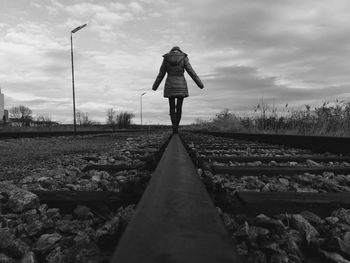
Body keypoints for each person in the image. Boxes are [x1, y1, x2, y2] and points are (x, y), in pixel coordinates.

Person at [152, 46, 204, 133]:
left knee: (172, 107)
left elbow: (161, 74)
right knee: (179, 107)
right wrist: (200, 84)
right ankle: (177, 126)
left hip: (170, 85)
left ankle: (174, 126)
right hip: (181, 85)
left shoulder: (166, 58)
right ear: (179, 50)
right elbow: (191, 72)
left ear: (171, 51)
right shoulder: (184, 58)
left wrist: (155, 86)